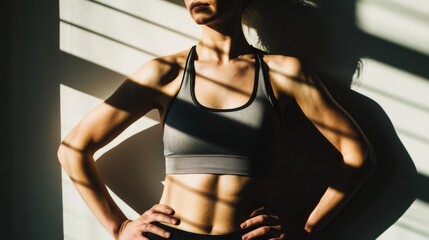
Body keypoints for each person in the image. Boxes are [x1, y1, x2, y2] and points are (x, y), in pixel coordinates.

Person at [57, 0, 377, 239]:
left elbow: (359, 156)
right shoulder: (165, 74)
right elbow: (73, 149)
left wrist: (307, 229)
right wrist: (120, 226)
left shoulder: (284, 73)